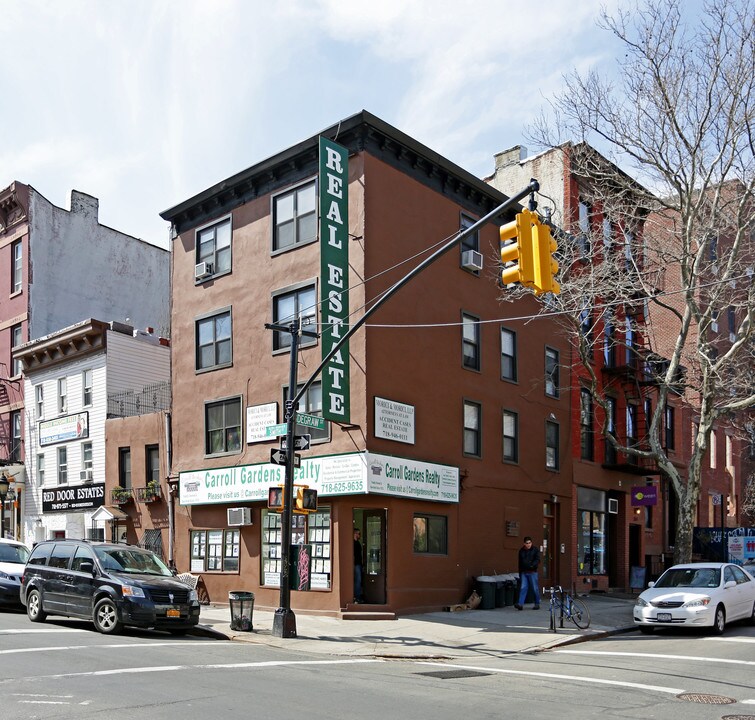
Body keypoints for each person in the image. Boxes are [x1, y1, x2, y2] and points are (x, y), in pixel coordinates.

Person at [515, 536, 541, 610]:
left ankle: (537, 603)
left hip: (533, 572)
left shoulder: (535, 550)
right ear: (524, 544)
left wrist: (532, 565)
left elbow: (537, 559)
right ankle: (520, 604)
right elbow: (520, 563)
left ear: (531, 543)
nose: (528, 544)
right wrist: (520, 573)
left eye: (530, 543)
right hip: (524, 572)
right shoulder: (521, 551)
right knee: (523, 587)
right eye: (527, 543)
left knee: (535, 588)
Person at [353, 528, 364, 603]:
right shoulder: (352, 543)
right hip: (356, 564)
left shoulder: (357, 543)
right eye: (358, 533)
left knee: (359, 580)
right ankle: (357, 597)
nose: (359, 535)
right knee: (358, 580)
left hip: (359, 563)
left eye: (359, 534)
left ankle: (358, 596)